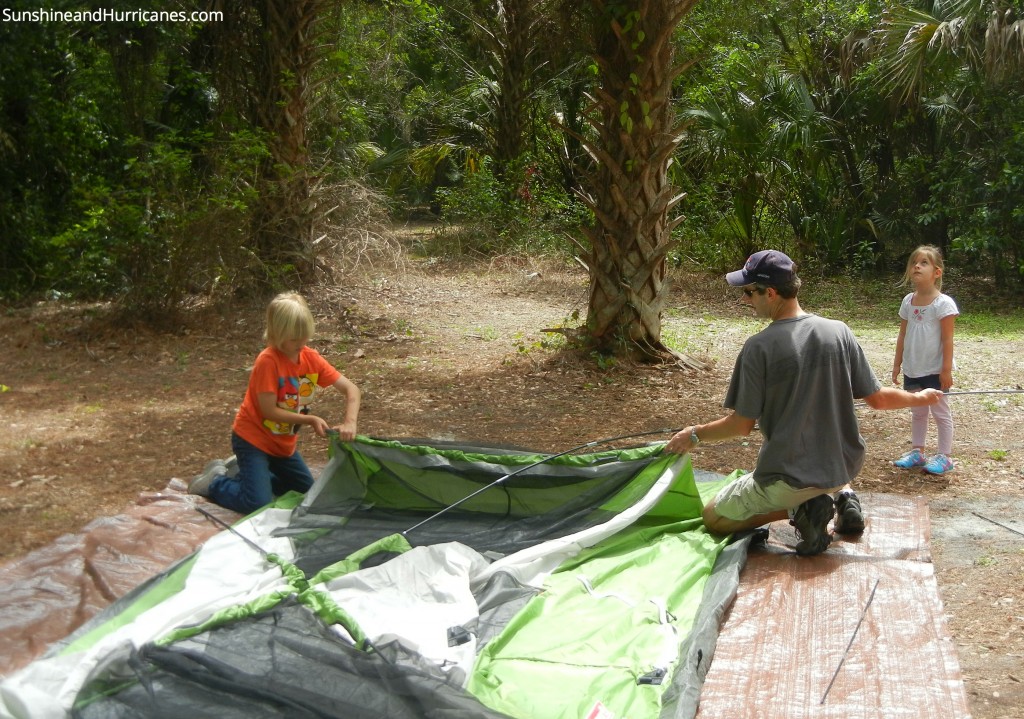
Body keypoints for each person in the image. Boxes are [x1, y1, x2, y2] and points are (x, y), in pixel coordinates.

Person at [664, 250, 944, 556]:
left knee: (713, 518)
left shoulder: (758, 348)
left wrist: (694, 434)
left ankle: (801, 510)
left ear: (770, 293)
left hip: (788, 478)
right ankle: (843, 495)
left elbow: (741, 425)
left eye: (749, 292)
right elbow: (878, 398)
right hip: (840, 467)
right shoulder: (839, 331)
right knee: (821, 459)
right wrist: (918, 397)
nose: (746, 300)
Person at [189, 292, 361, 514]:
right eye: (293, 338)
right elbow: (269, 411)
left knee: (308, 494)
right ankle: (215, 482)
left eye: (304, 336)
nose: (301, 342)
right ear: (277, 333)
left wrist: (350, 422)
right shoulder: (268, 362)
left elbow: (351, 389)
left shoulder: (311, 358)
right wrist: (309, 419)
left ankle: (248, 474)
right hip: (253, 440)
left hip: (283, 446)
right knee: (257, 504)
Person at [890, 245, 959, 475]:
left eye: (923, 263)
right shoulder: (908, 301)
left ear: (936, 272)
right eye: (914, 263)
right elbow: (903, 334)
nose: (916, 266)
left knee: (940, 411)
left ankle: (944, 456)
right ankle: (918, 451)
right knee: (918, 411)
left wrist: (946, 369)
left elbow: (948, 339)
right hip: (913, 367)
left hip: (934, 369)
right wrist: (897, 363)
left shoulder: (943, 304)